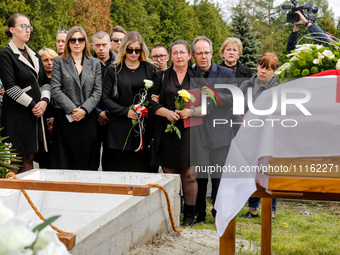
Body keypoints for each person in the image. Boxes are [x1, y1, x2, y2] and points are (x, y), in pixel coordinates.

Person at [149, 40, 210, 226]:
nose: (179, 56)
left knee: (190, 174)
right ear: (170, 56)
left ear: (189, 55)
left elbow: (208, 106)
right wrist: (165, 111)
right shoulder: (161, 77)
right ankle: (172, 213)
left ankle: (190, 216)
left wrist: (190, 112)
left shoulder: (198, 76)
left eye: (182, 52)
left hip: (190, 132)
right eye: (175, 53)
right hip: (168, 133)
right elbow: (151, 103)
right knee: (170, 175)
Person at [191, 36, 236, 223]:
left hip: (219, 133)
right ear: (193, 55)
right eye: (199, 53)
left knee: (218, 178)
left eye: (206, 52)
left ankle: (219, 214)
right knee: (199, 178)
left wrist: (211, 95)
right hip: (197, 133)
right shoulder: (188, 73)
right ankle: (198, 214)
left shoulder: (226, 73)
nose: (203, 57)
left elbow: (232, 98)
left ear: (212, 53)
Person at [0, 13, 51, 173]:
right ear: (12, 29)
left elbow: (45, 82)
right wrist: (34, 105)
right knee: (14, 159)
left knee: (29, 158)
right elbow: (10, 87)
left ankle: (26, 197)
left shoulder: (34, 54)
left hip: (34, 115)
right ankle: (9, 197)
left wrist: (44, 101)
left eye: (29, 26)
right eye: (23, 26)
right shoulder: (5, 54)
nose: (28, 30)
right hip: (16, 115)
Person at [101, 31, 156, 172]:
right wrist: (125, 112)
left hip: (142, 127)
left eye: (137, 50)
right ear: (124, 48)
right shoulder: (113, 69)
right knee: (116, 169)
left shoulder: (150, 69)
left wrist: (146, 108)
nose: (133, 53)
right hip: (117, 128)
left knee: (140, 170)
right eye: (130, 49)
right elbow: (105, 97)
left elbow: (154, 94)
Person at [50, 26, 102, 170]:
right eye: (73, 40)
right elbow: (55, 89)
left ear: (85, 42)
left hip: (88, 117)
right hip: (66, 118)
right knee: (65, 160)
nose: (77, 42)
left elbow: (98, 91)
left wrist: (84, 109)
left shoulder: (95, 63)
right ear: (68, 43)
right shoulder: (58, 62)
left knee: (87, 160)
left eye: (80, 39)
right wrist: (73, 109)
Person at [238, 52, 280, 220]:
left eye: (268, 69)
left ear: (274, 72)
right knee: (251, 172)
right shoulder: (246, 85)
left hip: (269, 136)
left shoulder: (278, 89)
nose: (264, 71)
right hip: (248, 133)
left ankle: (272, 210)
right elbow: (237, 107)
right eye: (262, 66)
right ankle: (253, 208)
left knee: (269, 172)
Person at [91, 31, 115, 169]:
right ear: (93, 46)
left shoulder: (118, 63)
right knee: (91, 156)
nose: (101, 48)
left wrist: (109, 111)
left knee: (111, 159)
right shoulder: (86, 63)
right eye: (98, 45)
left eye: (104, 45)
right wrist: (97, 112)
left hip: (113, 115)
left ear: (110, 45)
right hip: (92, 114)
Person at [36, 47, 58, 168]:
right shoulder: (37, 81)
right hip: (41, 124)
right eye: (45, 60)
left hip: (59, 122)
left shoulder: (60, 80)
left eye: (53, 59)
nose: (50, 63)